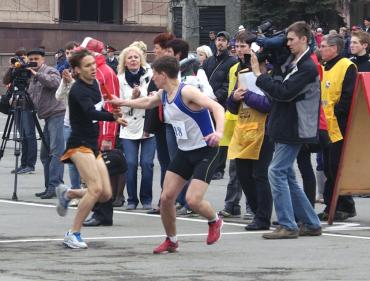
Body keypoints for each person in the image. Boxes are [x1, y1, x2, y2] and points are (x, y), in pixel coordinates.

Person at [110, 55, 225, 253]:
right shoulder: (164, 94)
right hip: (185, 152)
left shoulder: (187, 91)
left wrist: (219, 132)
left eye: (155, 74)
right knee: (166, 198)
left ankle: (214, 221)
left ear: (163, 74)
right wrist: (122, 102)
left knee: (193, 200)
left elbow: (217, 107)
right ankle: (171, 240)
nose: (152, 77)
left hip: (207, 149)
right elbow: (147, 102)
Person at [251, 21, 322, 239]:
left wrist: (259, 74)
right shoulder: (293, 61)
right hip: (285, 124)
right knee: (287, 176)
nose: (287, 44)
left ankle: (288, 225)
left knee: (276, 171)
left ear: (304, 39)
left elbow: (284, 92)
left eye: (291, 40)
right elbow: (278, 90)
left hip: (296, 126)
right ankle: (310, 223)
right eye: (287, 39)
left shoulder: (307, 67)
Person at [55, 49, 127, 249]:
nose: (93, 68)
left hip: (92, 144)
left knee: (105, 195)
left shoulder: (94, 83)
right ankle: (73, 233)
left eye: (94, 64)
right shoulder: (77, 89)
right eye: (87, 66)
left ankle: (68, 194)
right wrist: (111, 116)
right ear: (77, 70)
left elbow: (99, 108)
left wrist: (114, 113)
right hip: (79, 144)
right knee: (94, 189)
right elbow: (88, 112)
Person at [226, 30, 274, 230]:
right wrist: (234, 98)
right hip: (244, 128)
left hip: (264, 130)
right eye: (237, 46)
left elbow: (269, 104)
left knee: (260, 175)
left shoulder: (270, 73)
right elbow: (231, 106)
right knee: (244, 175)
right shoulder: (241, 71)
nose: (239, 51)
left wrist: (247, 97)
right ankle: (256, 212)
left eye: (243, 46)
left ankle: (263, 217)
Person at [318, 33, 358, 221]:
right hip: (324, 126)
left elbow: (348, 98)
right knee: (327, 168)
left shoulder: (347, 66)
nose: (321, 49)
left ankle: (346, 205)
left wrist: (335, 116)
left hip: (338, 126)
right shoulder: (325, 67)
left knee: (336, 167)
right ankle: (330, 205)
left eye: (324, 46)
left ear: (334, 48)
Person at [117, 45, 155, 210]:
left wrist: (142, 95)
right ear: (125, 62)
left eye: (136, 57)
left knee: (147, 164)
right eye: (130, 57)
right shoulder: (119, 79)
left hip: (148, 125)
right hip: (128, 126)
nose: (133, 60)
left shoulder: (150, 76)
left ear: (141, 60)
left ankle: (146, 198)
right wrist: (131, 99)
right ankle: (132, 199)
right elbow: (117, 106)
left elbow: (155, 99)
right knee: (131, 164)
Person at [27, 48, 66, 199]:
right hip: (47, 117)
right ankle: (49, 186)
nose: (34, 62)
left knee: (56, 152)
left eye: (36, 59)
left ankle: (54, 186)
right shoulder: (31, 76)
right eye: (31, 59)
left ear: (43, 60)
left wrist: (37, 74)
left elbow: (55, 83)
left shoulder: (51, 71)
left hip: (57, 115)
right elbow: (33, 97)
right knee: (44, 154)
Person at [202, 31, 238, 180]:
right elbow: (202, 79)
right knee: (207, 134)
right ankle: (207, 164)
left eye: (223, 40)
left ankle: (219, 168)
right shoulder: (209, 61)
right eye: (218, 40)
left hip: (220, 104)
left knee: (221, 138)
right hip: (205, 102)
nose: (220, 42)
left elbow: (229, 84)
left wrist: (216, 97)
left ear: (228, 43)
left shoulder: (232, 61)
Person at [3, 48, 38, 175]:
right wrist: (11, 67)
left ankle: (30, 164)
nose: (22, 59)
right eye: (19, 57)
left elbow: (32, 83)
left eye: (23, 56)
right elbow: (5, 81)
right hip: (16, 103)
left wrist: (26, 67)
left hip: (27, 104)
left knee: (29, 135)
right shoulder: (16, 69)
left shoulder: (30, 69)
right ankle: (23, 164)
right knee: (22, 135)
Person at [55, 41, 81, 203]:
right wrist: (65, 82)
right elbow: (58, 96)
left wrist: (71, 81)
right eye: (68, 52)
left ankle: (82, 190)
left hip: (83, 124)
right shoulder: (67, 72)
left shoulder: (84, 72)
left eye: (73, 52)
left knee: (86, 160)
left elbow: (82, 96)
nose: (70, 55)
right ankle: (76, 190)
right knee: (71, 161)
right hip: (68, 122)